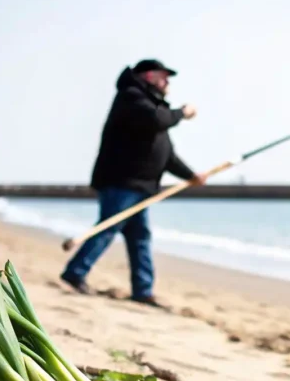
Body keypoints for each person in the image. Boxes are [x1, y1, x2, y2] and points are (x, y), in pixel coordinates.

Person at [60, 59, 207, 306]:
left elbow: (166, 155)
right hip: (121, 182)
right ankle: (76, 272)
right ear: (148, 76)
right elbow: (159, 120)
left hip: (141, 187)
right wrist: (183, 112)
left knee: (139, 236)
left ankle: (143, 290)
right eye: (163, 76)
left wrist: (191, 175)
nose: (167, 82)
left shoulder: (153, 106)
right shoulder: (132, 98)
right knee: (109, 227)